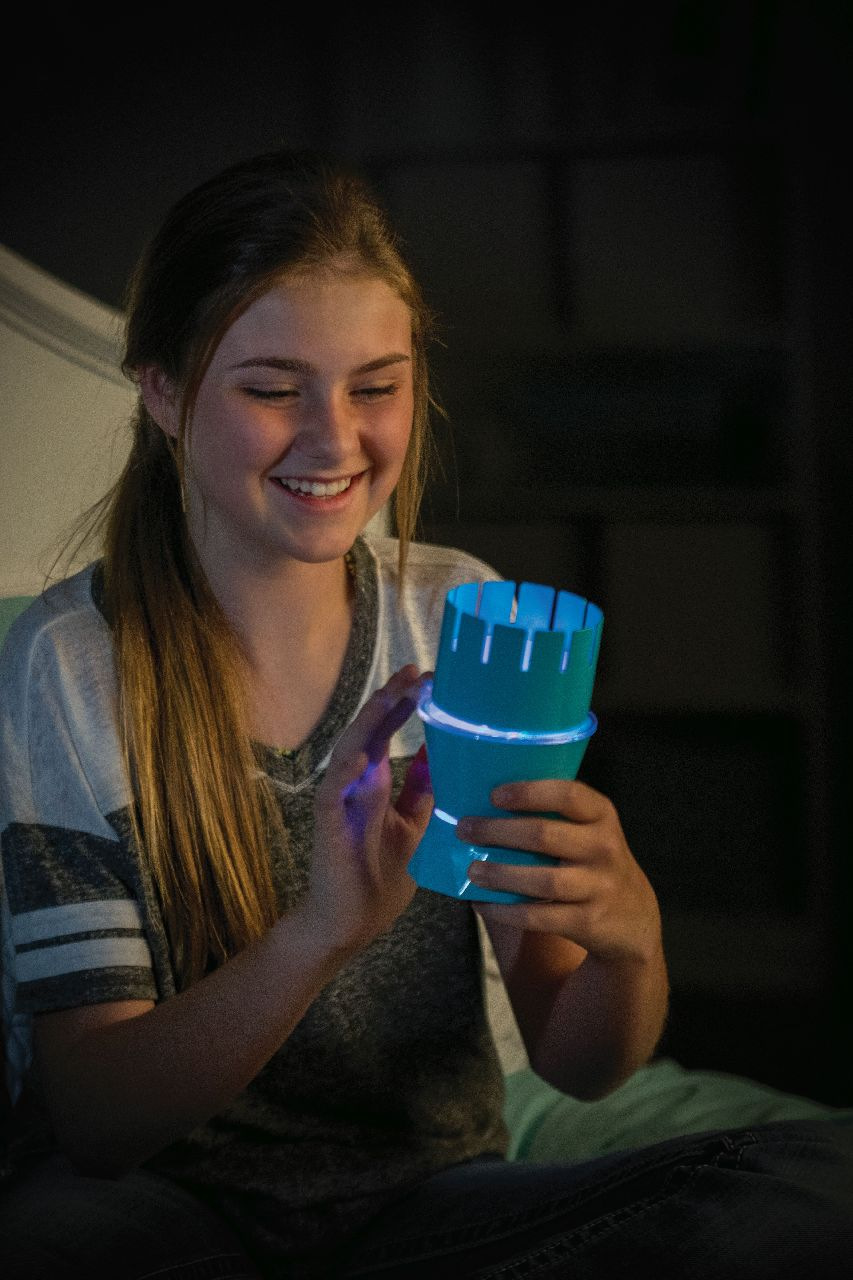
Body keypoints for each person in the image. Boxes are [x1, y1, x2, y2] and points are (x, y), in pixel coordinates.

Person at [0, 149, 851, 1280]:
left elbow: (579, 1060)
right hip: (168, 1215)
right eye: (272, 389)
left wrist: (629, 941)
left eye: (375, 386)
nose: (335, 439)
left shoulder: (459, 615)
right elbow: (98, 1122)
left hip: (431, 1208)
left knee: (813, 1181)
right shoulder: (70, 662)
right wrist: (319, 932)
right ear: (162, 392)